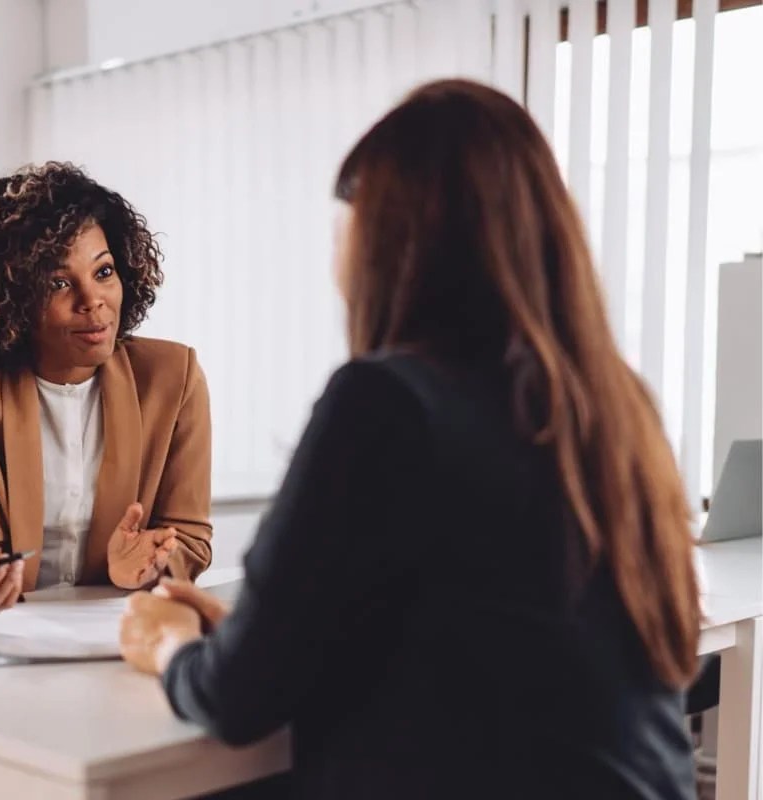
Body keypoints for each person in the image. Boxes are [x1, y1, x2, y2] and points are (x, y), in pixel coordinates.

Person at [120, 80, 701, 799]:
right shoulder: (615, 400)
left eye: (344, 225)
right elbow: (473, 632)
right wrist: (249, 627)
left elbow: (238, 699)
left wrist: (168, 644)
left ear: (389, 239)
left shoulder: (386, 402)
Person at [0, 161, 213, 610]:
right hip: (6, 631)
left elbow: (188, 538)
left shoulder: (173, 377)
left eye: (103, 272)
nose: (91, 300)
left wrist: (152, 563)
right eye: (58, 282)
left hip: (115, 633)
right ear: (8, 297)